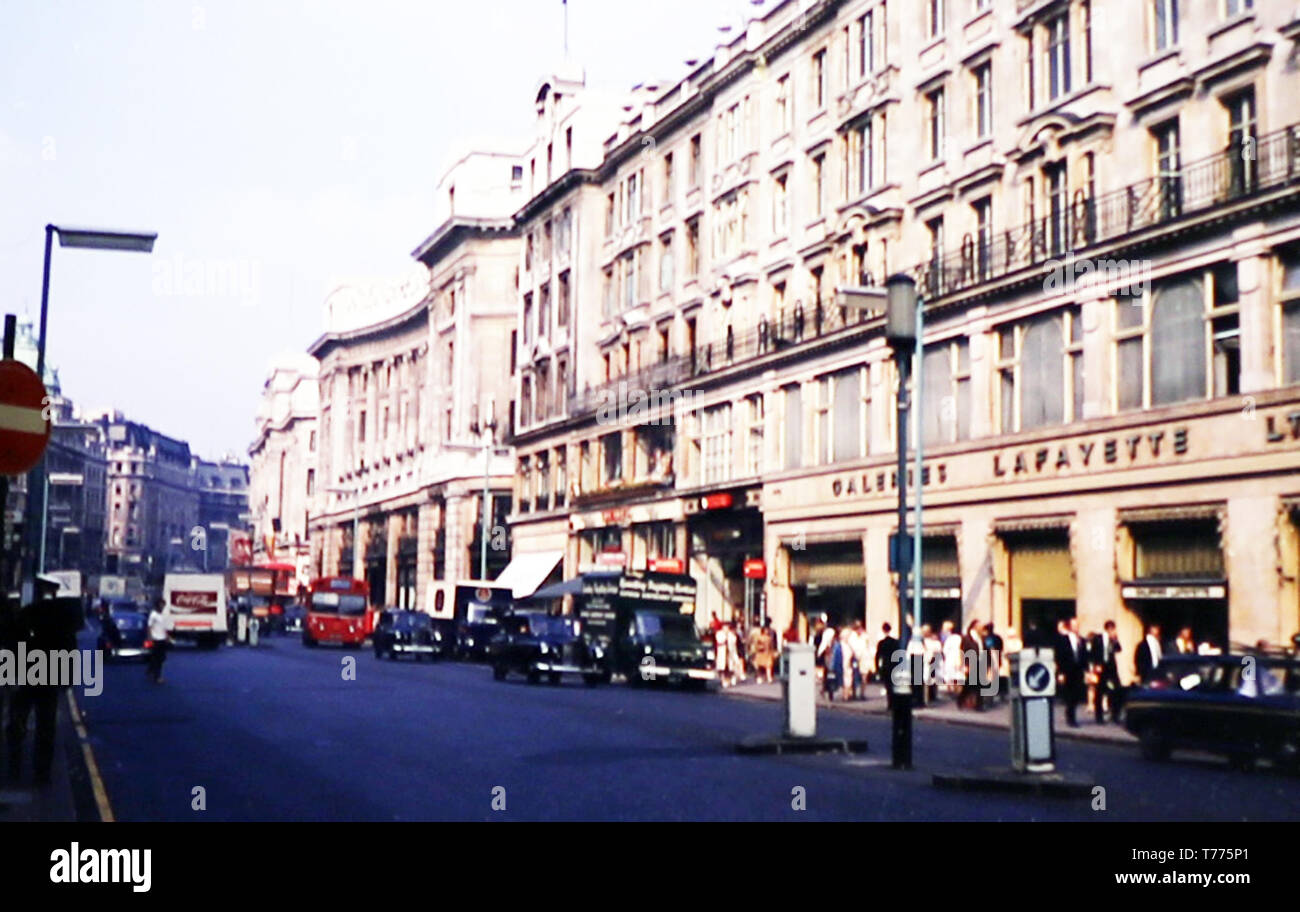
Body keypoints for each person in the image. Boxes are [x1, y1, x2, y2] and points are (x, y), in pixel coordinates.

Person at [6, 576, 82, 785]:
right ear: (54, 592)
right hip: (49, 680)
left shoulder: (27, 614)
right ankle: (42, 774)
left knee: (17, 724)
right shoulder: (64, 619)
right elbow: (70, 651)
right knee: (46, 727)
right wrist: (66, 680)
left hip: (25, 678)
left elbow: (12, 645)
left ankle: (14, 768)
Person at [1054, 617, 1088, 727]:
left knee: (1076, 694)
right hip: (1067, 670)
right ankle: (1070, 717)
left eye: (1078, 625)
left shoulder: (1082, 640)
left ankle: (1072, 714)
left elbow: (1085, 656)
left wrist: (1087, 670)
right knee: (1069, 694)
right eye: (1074, 625)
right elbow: (1059, 656)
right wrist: (1060, 673)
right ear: (1070, 626)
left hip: (1078, 671)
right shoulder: (1063, 640)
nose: (1076, 627)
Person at [1089, 620, 1123, 724]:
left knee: (1116, 690)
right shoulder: (1098, 638)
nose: (1113, 632)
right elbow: (1092, 653)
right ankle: (1099, 716)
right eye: (1112, 630)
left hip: (1111, 668)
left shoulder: (1113, 640)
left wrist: (1115, 640)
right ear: (1108, 629)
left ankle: (1115, 714)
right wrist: (1096, 665)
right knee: (1100, 692)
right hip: (1101, 667)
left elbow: (1119, 649)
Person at [959, 620, 986, 710]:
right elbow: (963, 652)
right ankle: (961, 698)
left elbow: (985, 650)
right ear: (975, 627)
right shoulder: (967, 638)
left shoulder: (981, 638)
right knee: (969, 684)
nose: (982, 628)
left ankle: (979, 705)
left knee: (980, 684)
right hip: (971, 663)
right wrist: (965, 665)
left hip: (981, 662)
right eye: (980, 626)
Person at [874, 622, 900, 709]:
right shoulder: (895, 642)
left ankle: (890, 703)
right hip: (894, 665)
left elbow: (877, 656)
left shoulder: (881, 643)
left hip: (886, 666)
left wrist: (877, 668)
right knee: (894, 685)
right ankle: (895, 703)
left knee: (888, 686)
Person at [146, 598, 171, 684]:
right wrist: (149, 638)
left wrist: (167, 636)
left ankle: (151, 669)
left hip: (162, 639)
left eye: (163, 605)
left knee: (161, 658)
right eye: (161, 604)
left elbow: (163, 628)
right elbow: (149, 626)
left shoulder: (162, 615)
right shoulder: (153, 615)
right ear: (157, 605)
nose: (163, 606)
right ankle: (157, 677)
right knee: (158, 659)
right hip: (155, 639)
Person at [983, 622, 1005, 702]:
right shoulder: (998, 637)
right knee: (995, 677)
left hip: (988, 660)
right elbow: (1001, 648)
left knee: (988, 678)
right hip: (996, 659)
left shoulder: (986, 638)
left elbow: (986, 648)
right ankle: (995, 693)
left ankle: (989, 695)